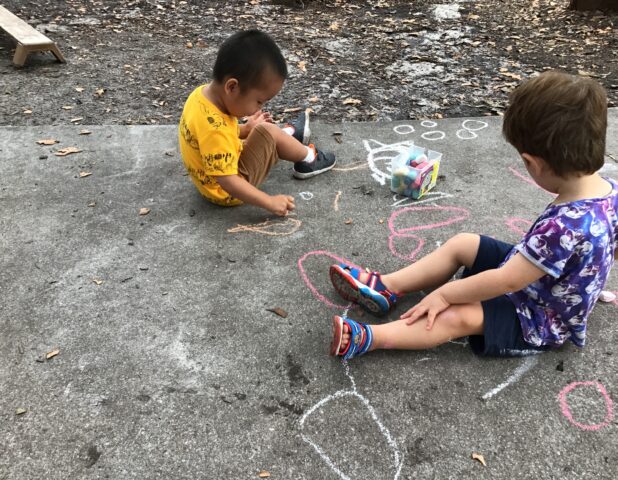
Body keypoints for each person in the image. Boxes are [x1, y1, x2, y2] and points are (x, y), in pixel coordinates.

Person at [328, 71, 617, 360]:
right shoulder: (611, 192)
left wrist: (444, 294)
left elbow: (507, 282)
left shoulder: (562, 227)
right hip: (542, 281)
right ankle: (387, 287)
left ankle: (371, 338)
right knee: (464, 244)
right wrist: (588, 281)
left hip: (541, 317)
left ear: (532, 163)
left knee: (457, 315)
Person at [178, 29, 336, 217]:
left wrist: (245, 129)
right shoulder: (215, 131)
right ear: (232, 87)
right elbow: (228, 180)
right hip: (227, 191)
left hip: (211, 178)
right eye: (259, 101)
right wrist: (268, 202)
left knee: (263, 132)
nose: (258, 107)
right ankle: (309, 159)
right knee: (267, 131)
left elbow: (217, 135)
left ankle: (287, 136)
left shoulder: (201, 97)